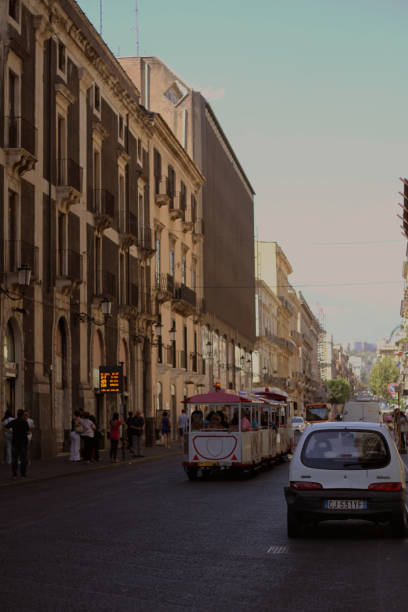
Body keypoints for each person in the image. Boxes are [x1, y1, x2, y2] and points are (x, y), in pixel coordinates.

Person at [6, 409, 29, 478]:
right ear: (22, 415)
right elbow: (27, 430)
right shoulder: (25, 422)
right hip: (23, 442)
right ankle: (23, 474)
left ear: (17, 414)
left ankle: (14, 474)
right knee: (23, 459)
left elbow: (5, 427)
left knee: (14, 459)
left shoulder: (14, 421)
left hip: (15, 442)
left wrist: (11, 432)